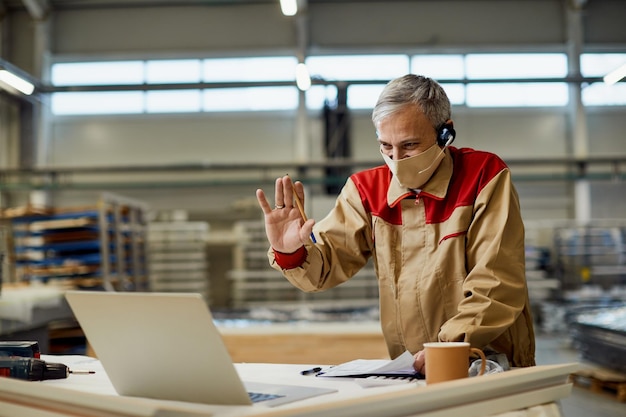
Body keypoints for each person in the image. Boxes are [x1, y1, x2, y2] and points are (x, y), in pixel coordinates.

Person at [255, 74, 536, 374]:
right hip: (414, 369)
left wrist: (451, 344)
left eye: (410, 145)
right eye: (386, 147)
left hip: (487, 361)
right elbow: (323, 266)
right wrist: (292, 252)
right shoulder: (366, 191)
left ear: (446, 134)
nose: (397, 159)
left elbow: (496, 279)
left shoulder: (483, 177)